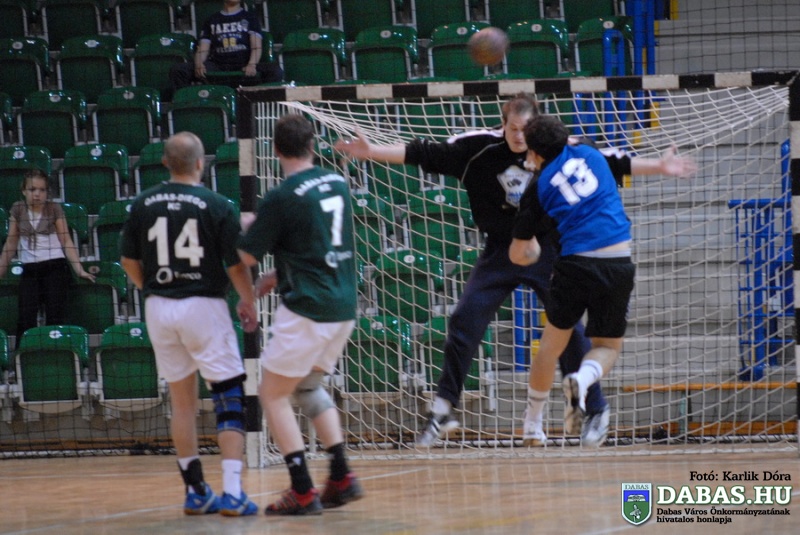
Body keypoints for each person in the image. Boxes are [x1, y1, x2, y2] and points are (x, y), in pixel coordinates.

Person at [333, 94, 697, 448]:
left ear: (536, 129)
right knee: (465, 319)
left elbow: (614, 160)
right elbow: (424, 152)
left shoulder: (557, 154)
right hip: (502, 250)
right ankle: (443, 409)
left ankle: (592, 410)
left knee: (569, 334)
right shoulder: (480, 148)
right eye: (513, 129)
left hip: (548, 250)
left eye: (526, 130)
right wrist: (372, 151)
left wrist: (659, 166)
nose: (519, 137)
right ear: (503, 125)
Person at [119, 132, 259, 517]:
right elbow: (236, 265)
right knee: (229, 398)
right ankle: (233, 492)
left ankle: (196, 491)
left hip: (159, 308)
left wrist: (153, 290)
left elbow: (128, 261)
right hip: (203, 307)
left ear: (165, 162)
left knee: (182, 403)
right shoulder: (216, 204)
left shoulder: (142, 203)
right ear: (201, 163)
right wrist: (248, 301)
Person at [238, 114, 363, 516]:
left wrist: (244, 229)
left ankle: (303, 490)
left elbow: (244, 257)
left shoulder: (282, 196)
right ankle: (341, 475)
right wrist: (276, 275)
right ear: (312, 145)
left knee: (271, 394)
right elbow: (314, 244)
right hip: (344, 305)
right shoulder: (336, 182)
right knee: (307, 387)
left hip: (309, 309)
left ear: (275, 149)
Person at [508, 114, 640, 447]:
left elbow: (518, 254)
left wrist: (532, 251)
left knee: (550, 346)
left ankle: (532, 425)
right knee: (606, 347)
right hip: (617, 262)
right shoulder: (590, 150)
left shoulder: (536, 189)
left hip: (574, 266)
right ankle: (581, 379)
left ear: (534, 152)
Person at [0, 170, 95, 347]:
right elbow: (11, 243)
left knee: (55, 316)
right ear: (24, 191)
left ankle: (57, 355)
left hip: (55, 268)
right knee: (26, 317)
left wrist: (79, 269)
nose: (37, 194)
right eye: (32, 189)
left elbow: (66, 240)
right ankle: (23, 356)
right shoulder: (18, 209)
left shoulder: (54, 209)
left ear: (47, 192)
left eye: (42, 190)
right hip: (30, 271)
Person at [166, 0, 283, 100]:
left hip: (244, 64)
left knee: (275, 71)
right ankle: (186, 104)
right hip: (218, 65)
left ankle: (264, 106)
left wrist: (252, 64)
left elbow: (256, 46)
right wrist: (199, 64)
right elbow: (203, 49)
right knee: (179, 70)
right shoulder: (212, 20)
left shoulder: (250, 18)